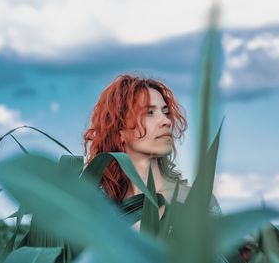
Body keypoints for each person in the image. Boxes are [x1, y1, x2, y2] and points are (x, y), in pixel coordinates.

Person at [83, 74, 220, 219]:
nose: (166, 121)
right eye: (149, 113)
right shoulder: (95, 204)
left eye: (166, 113)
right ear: (119, 130)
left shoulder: (200, 202)